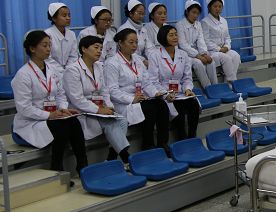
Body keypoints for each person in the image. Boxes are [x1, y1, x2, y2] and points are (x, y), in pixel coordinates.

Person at [11, 30, 87, 172]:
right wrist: (49, 115)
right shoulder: (23, 75)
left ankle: (83, 166)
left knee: (73, 121)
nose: (48, 49)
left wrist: (63, 108)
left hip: (52, 116)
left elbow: (60, 94)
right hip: (31, 122)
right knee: (60, 126)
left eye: (50, 45)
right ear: (32, 48)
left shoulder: (52, 69)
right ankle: (57, 169)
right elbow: (24, 108)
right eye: (44, 45)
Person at [63, 35, 130, 163]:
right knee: (110, 123)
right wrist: (98, 110)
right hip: (82, 111)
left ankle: (112, 157)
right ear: (84, 49)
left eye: (101, 48)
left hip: (98, 108)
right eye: (96, 47)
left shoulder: (99, 66)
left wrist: (108, 106)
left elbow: (104, 90)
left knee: (122, 120)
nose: (99, 51)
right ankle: (126, 158)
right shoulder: (72, 70)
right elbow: (77, 99)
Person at [104, 28, 171, 153]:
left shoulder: (137, 60)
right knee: (149, 109)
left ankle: (163, 143)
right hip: (124, 103)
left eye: (136, 42)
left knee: (162, 104)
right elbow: (112, 91)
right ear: (120, 43)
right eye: (131, 42)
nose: (134, 45)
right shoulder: (112, 63)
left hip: (140, 98)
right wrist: (132, 99)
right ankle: (148, 145)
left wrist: (155, 93)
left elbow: (146, 82)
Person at [147, 25, 199, 140]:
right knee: (179, 111)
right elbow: (153, 81)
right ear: (163, 37)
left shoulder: (183, 54)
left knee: (194, 105)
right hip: (165, 94)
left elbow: (187, 78)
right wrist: (165, 94)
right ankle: (182, 139)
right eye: (171, 35)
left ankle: (192, 136)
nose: (175, 37)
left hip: (181, 93)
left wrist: (188, 89)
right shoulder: (155, 55)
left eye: (176, 34)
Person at [176, 0, 218, 88]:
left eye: (197, 13)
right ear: (187, 12)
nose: (195, 16)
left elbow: (200, 40)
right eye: (193, 12)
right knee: (198, 63)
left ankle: (215, 86)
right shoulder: (179, 25)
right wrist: (198, 56)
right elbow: (182, 45)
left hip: (197, 52)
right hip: (185, 54)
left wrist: (204, 53)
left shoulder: (198, 24)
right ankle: (207, 87)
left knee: (211, 62)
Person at [202, 0, 241, 83]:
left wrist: (227, 46)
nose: (217, 9)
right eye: (215, 6)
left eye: (220, 6)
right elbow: (205, 41)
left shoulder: (224, 21)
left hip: (224, 49)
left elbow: (227, 37)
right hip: (212, 51)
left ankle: (228, 83)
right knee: (226, 58)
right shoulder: (205, 22)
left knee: (236, 56)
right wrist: (219, 49)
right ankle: (233, 83)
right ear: (209, 7)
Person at [44, 2, 78, 79]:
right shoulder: (47, 34)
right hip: (51, 71)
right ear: (54, 18)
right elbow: (47, 58)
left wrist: (68, 70)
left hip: (70, 71)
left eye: (69, 15)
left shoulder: (71, 34)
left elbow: (73, 56)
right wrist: (61, 71)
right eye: (64, 15)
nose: (68, 18)